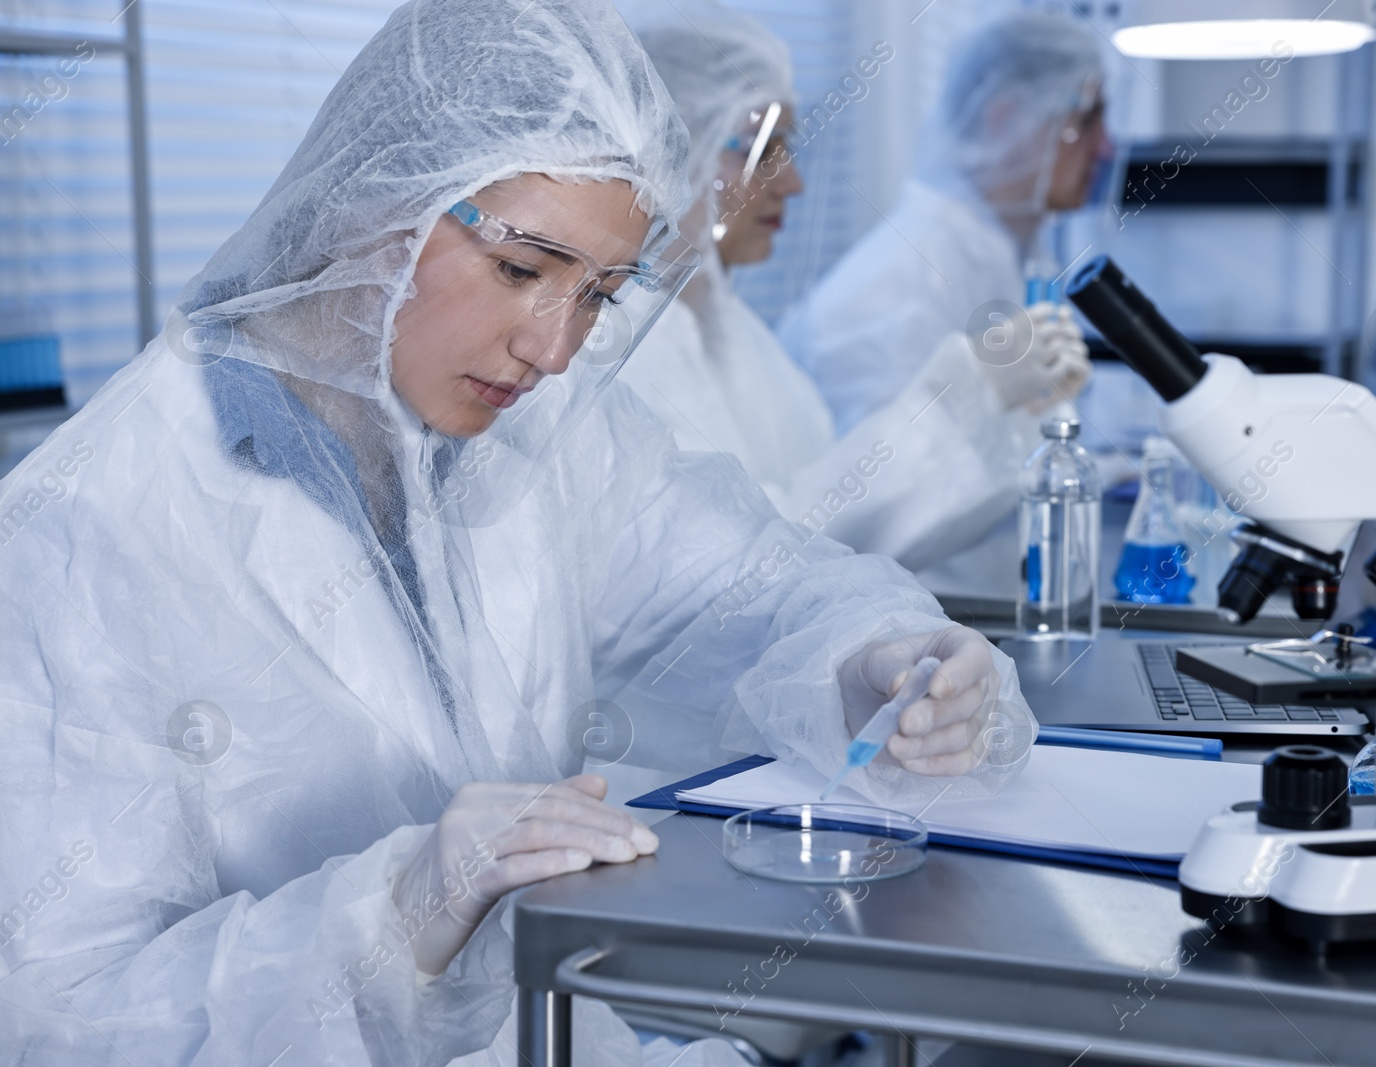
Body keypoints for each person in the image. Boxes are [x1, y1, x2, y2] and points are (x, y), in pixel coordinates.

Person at [0, 2, 1034, 1064]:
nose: (553, 349)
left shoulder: (540, 436)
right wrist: (398, 913)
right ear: (380, 197)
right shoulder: (87, 524)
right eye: (521, 269)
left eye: (598, 294)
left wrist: (869, 660)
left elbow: (754, 584)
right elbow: (57, 1014)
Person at [617, 3, 1091, 572]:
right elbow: (746, 560)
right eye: (761, 149)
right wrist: (963, 392)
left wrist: (999, 410)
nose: (791, 181)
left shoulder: (737, 338)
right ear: (672, 150)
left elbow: (838, 535)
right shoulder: (624, 350)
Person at [780, 10, 1108, 441]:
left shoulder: (1005, 251)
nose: (1104, 147)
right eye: (1085, 120)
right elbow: (874, 494)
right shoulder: (905, 280)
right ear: (1004, 120)